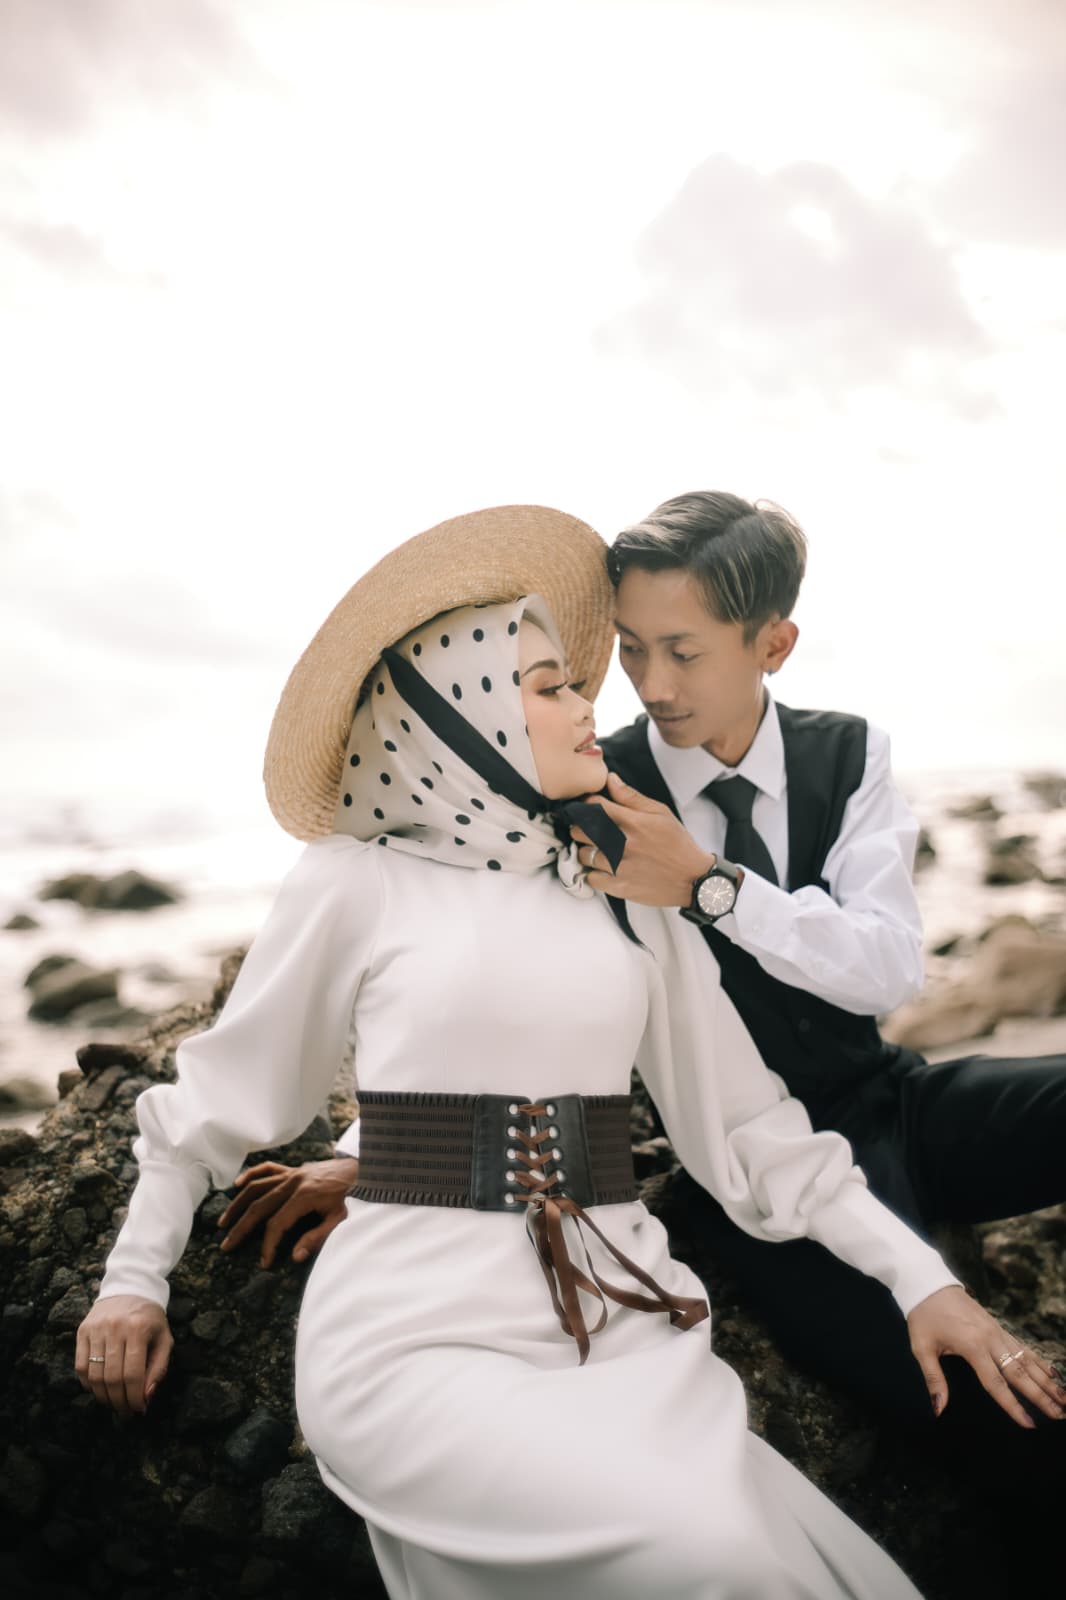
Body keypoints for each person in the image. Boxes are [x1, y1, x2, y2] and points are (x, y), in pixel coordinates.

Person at [75, 505, 1063, 1600]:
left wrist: (925, 1284)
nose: (598, 700)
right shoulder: (356, 878)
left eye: (582, 679)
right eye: (551, 687)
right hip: (417, 1331)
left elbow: (750, 1128)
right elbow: (217, 1100)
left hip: (621, 1320)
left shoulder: (621, 877)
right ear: (465, 718)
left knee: (752, 1560)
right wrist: (132, 1283)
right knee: (708, 1558)